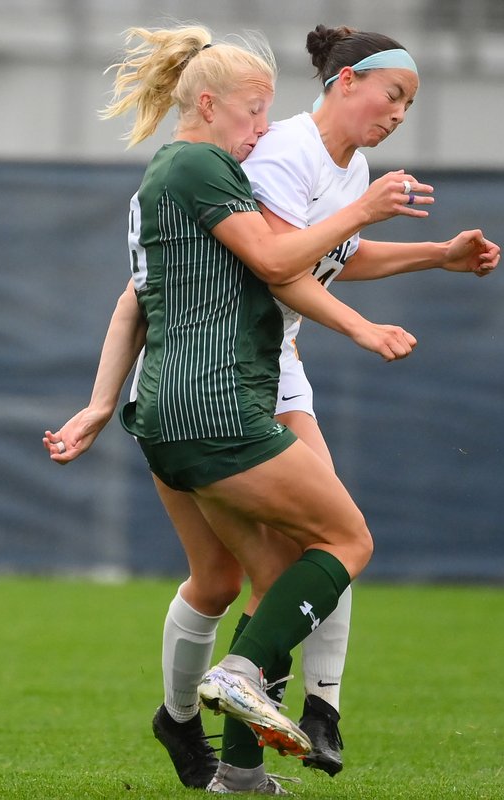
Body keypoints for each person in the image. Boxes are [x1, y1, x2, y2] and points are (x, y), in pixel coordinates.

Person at [44, 22, 441, 795]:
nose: (265, 130)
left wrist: (98, 407)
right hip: (217, 404)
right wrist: (362, 229)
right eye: (256, 113)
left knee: (256, 578)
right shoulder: (199, 165)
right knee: (347, 539)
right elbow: (278, 261)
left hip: (169, 402)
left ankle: (234, 767)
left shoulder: (181, 173)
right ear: (211, 104)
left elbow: (138, 298)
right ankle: (247, 676)